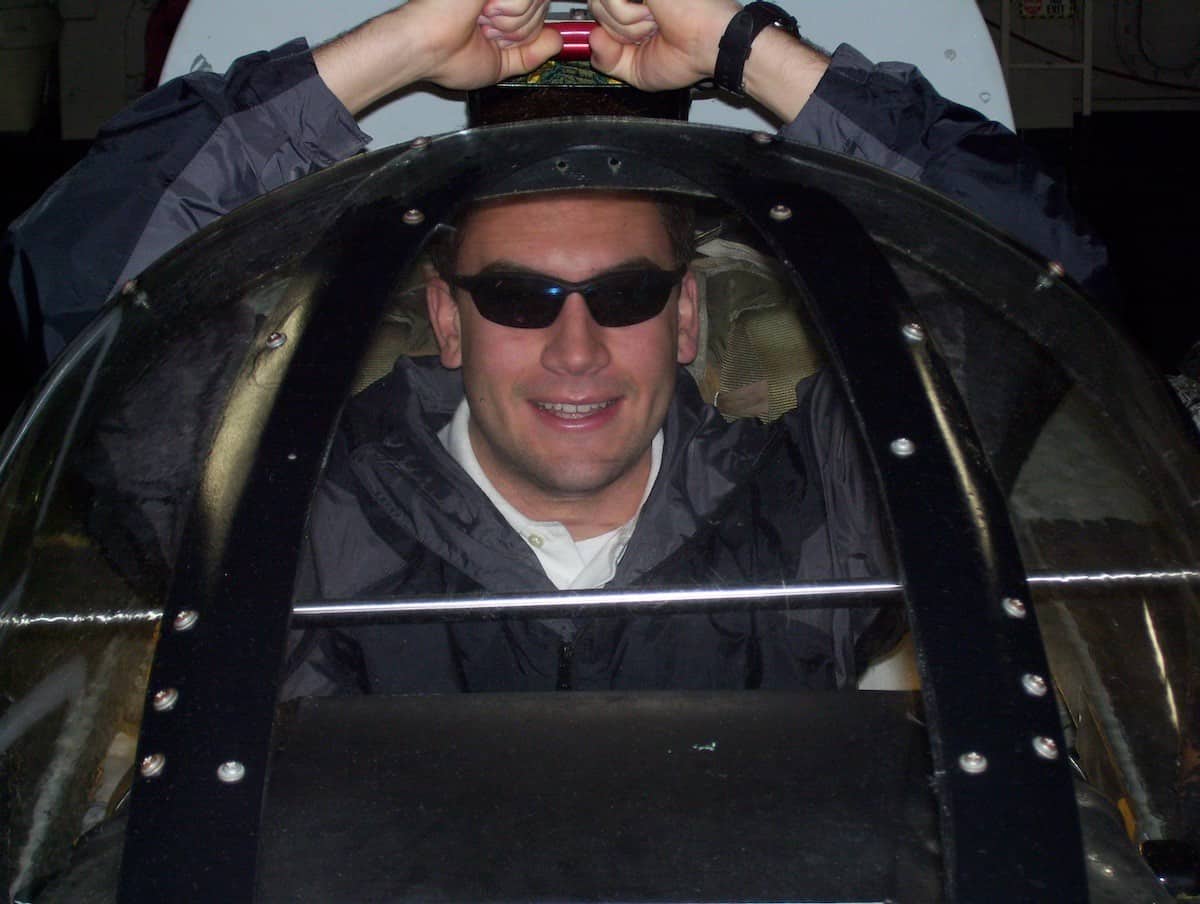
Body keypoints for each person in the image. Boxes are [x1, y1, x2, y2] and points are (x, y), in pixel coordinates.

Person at [3, 0, 1111, 693]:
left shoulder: (823, 515)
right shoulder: (291, 522)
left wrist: (743, 49)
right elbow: (90, 295)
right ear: (446, 319)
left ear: (685, 318)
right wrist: (396, 49)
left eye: (625, 293)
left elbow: (1034, 278)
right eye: (519, 296)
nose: (575, 349)